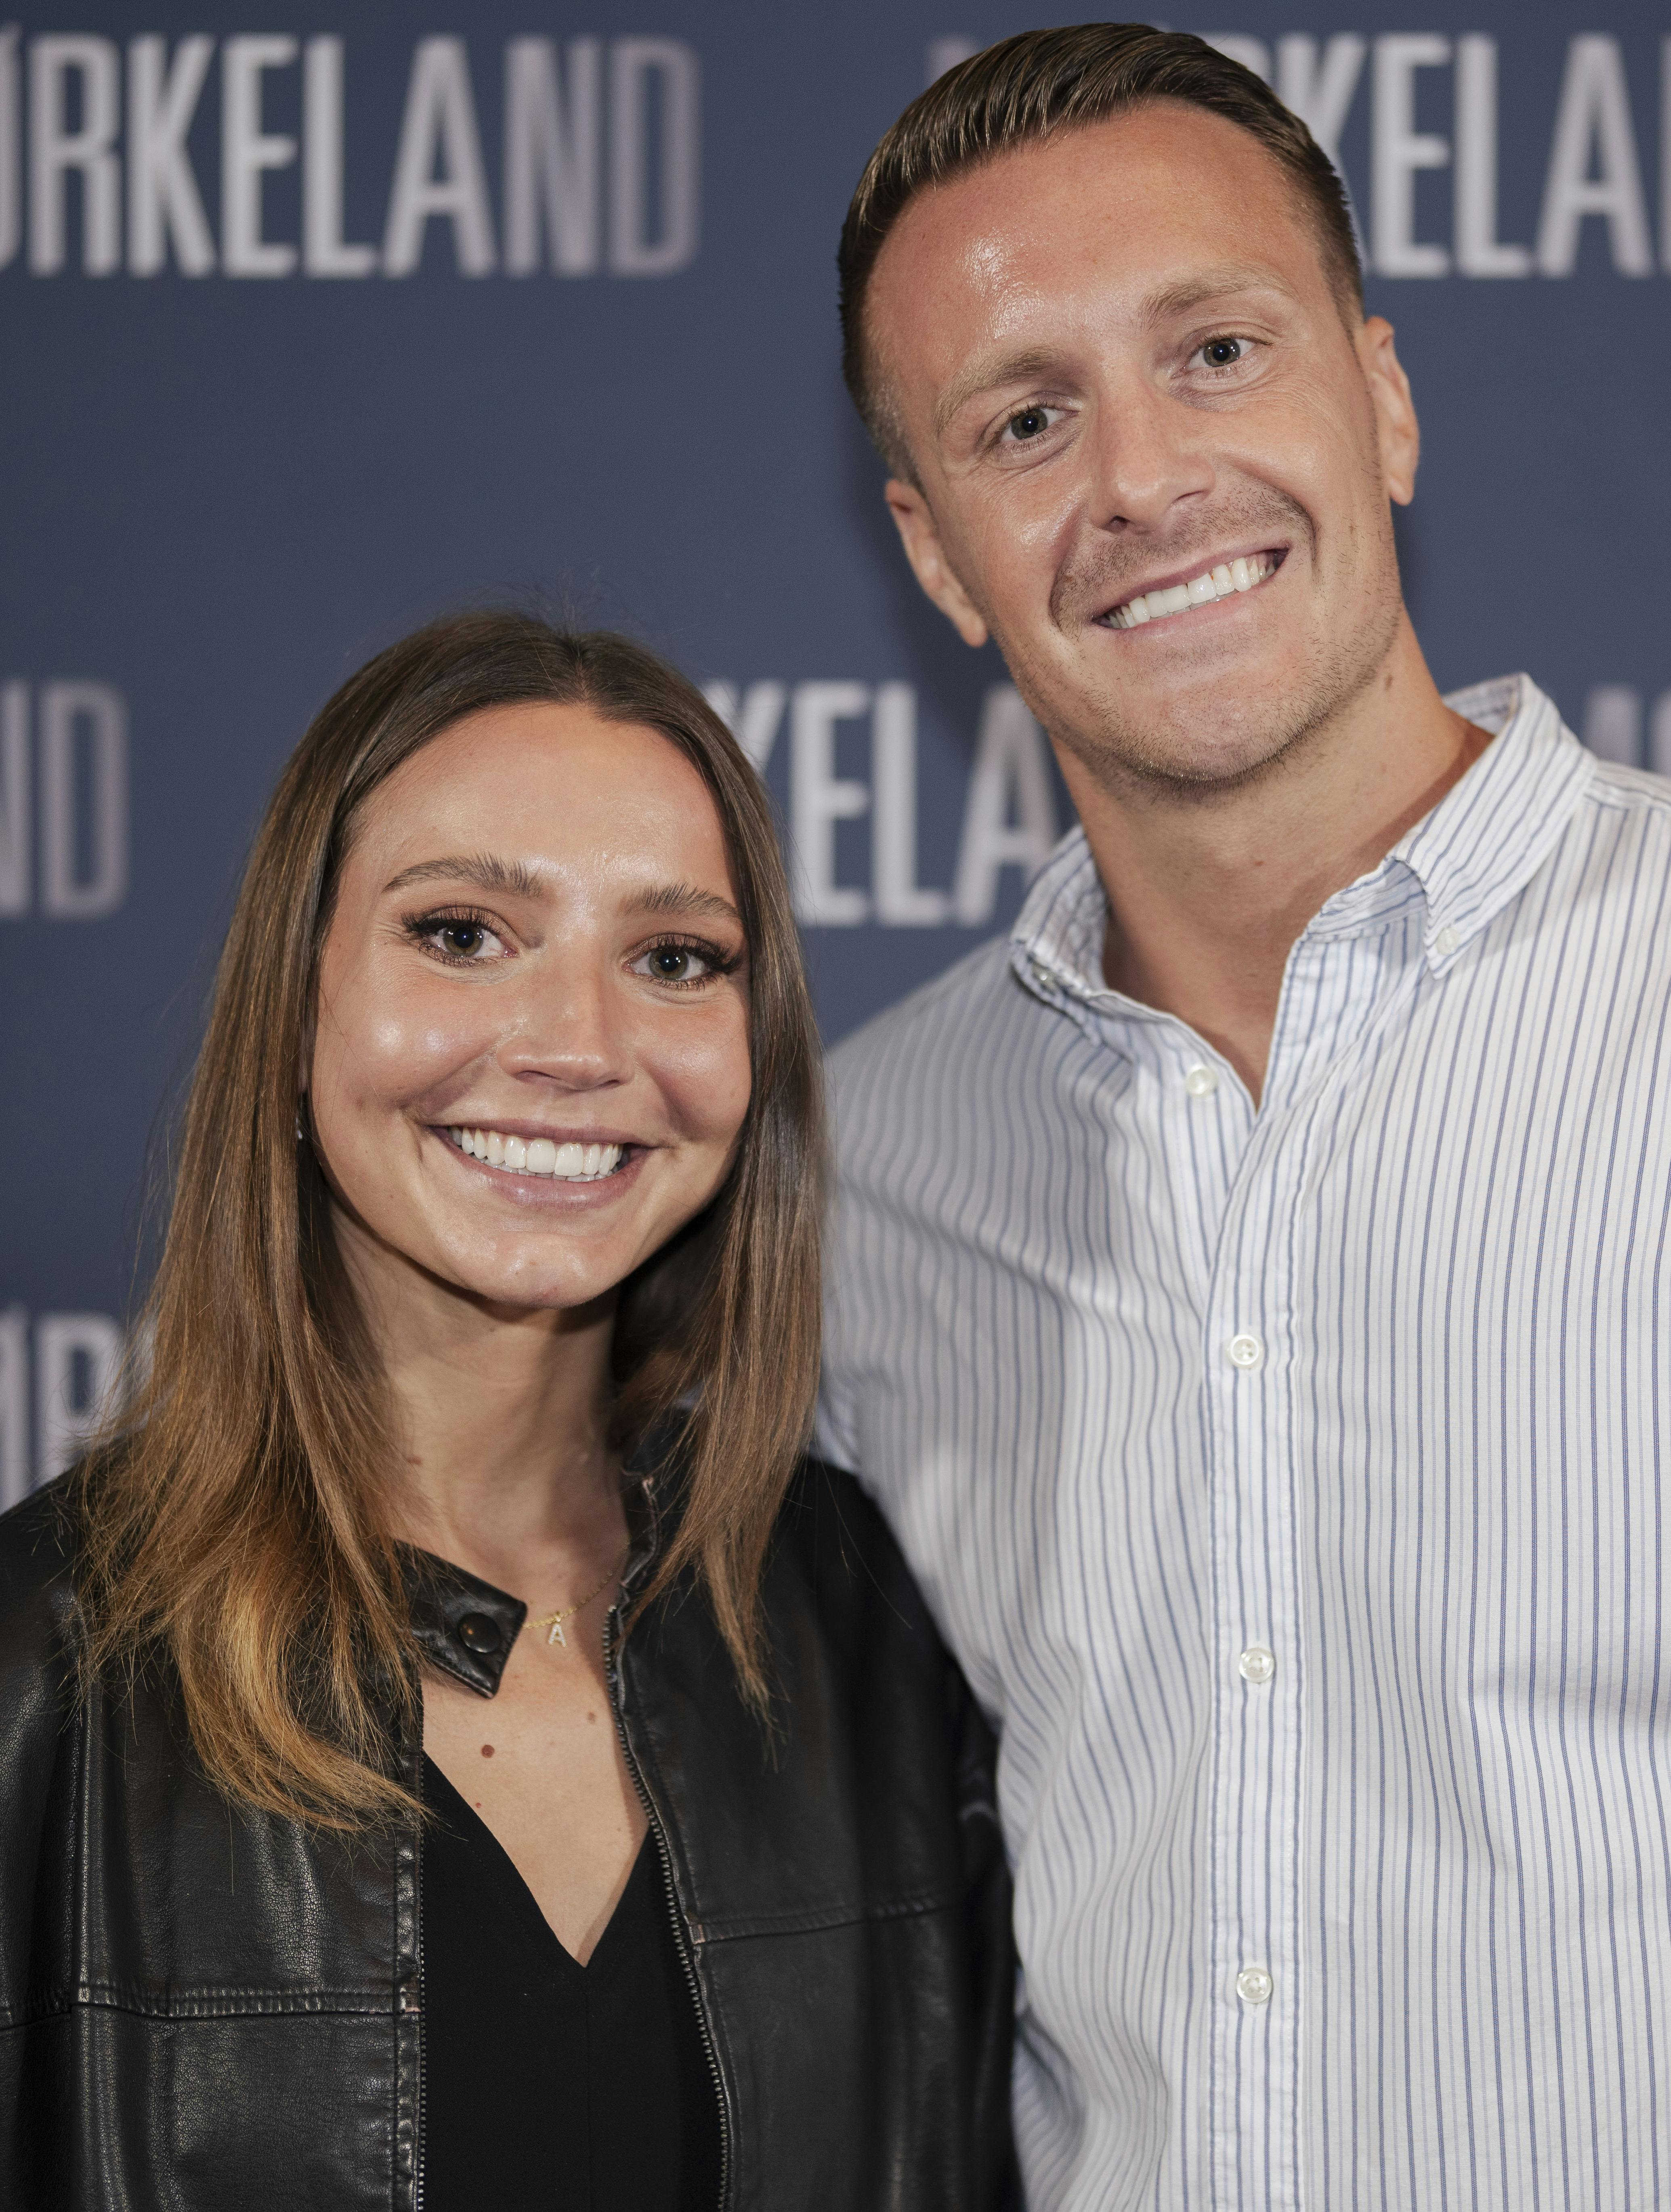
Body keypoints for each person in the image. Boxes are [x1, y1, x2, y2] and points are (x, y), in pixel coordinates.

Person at [819, 24, 1671, 2211]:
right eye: (1025, 418)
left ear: (1378, 398)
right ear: (933, 553)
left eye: (1212, 349)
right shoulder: (853, 1180)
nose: (1137, 484)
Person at [0, 611, 1017, 2210]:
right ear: (297, 1001)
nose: (574, 1045)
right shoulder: (43, 1664)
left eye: (675, 958)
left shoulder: (863, 1624)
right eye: (465, 931)